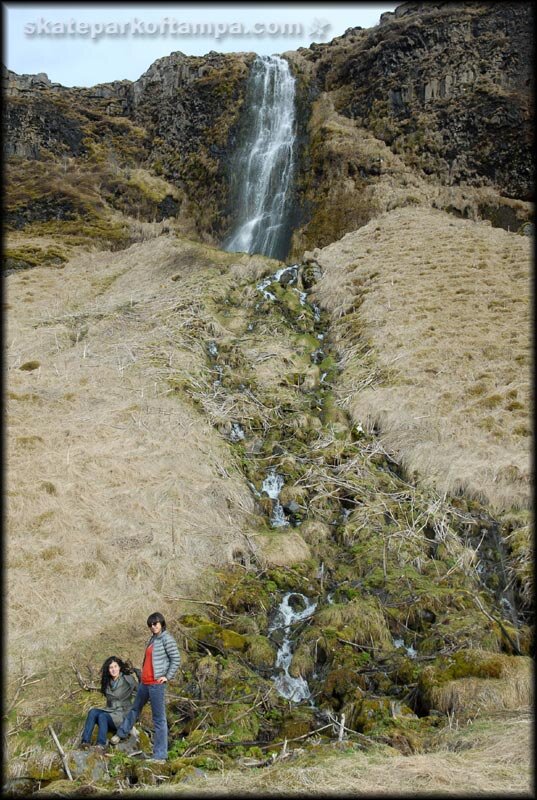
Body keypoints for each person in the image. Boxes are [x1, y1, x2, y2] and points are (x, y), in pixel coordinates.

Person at [110, 612, 180, 762]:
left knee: (159, 719)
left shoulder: (167, 639)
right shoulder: (153, 639)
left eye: (155, 623)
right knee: (135, 709)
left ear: (161, 623)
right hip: (145, 683)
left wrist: (167, 676)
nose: (153, 627)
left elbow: (176, 659)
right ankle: (120, 734)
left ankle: (160, 755)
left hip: (156, 684)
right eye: (150, 625)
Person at [80, 656, 139, 751]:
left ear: (119, 667)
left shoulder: (128, 679)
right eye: (111, 667)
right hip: (111, 711)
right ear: (108, 669)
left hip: (122, 714)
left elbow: (140, 692)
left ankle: (101, 744)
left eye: (115, 666)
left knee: (102, 716)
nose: (113, 669)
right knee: (93, 712)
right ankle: (85, 742)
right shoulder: (107, 682)